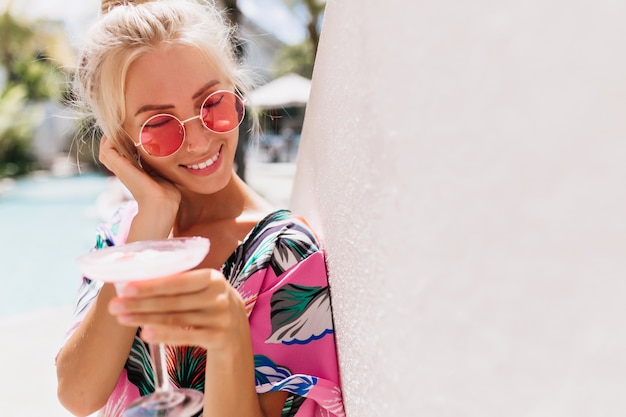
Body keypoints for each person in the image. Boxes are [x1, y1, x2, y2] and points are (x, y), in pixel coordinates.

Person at [54, 1, 345, 416]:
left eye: (212, 103)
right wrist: (151, 218)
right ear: (121, 139)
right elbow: (78, 395)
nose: (198, 142)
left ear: (235, 92)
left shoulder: (283, 255)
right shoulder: (120, 239)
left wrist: (228, 334)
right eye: (159, 125)